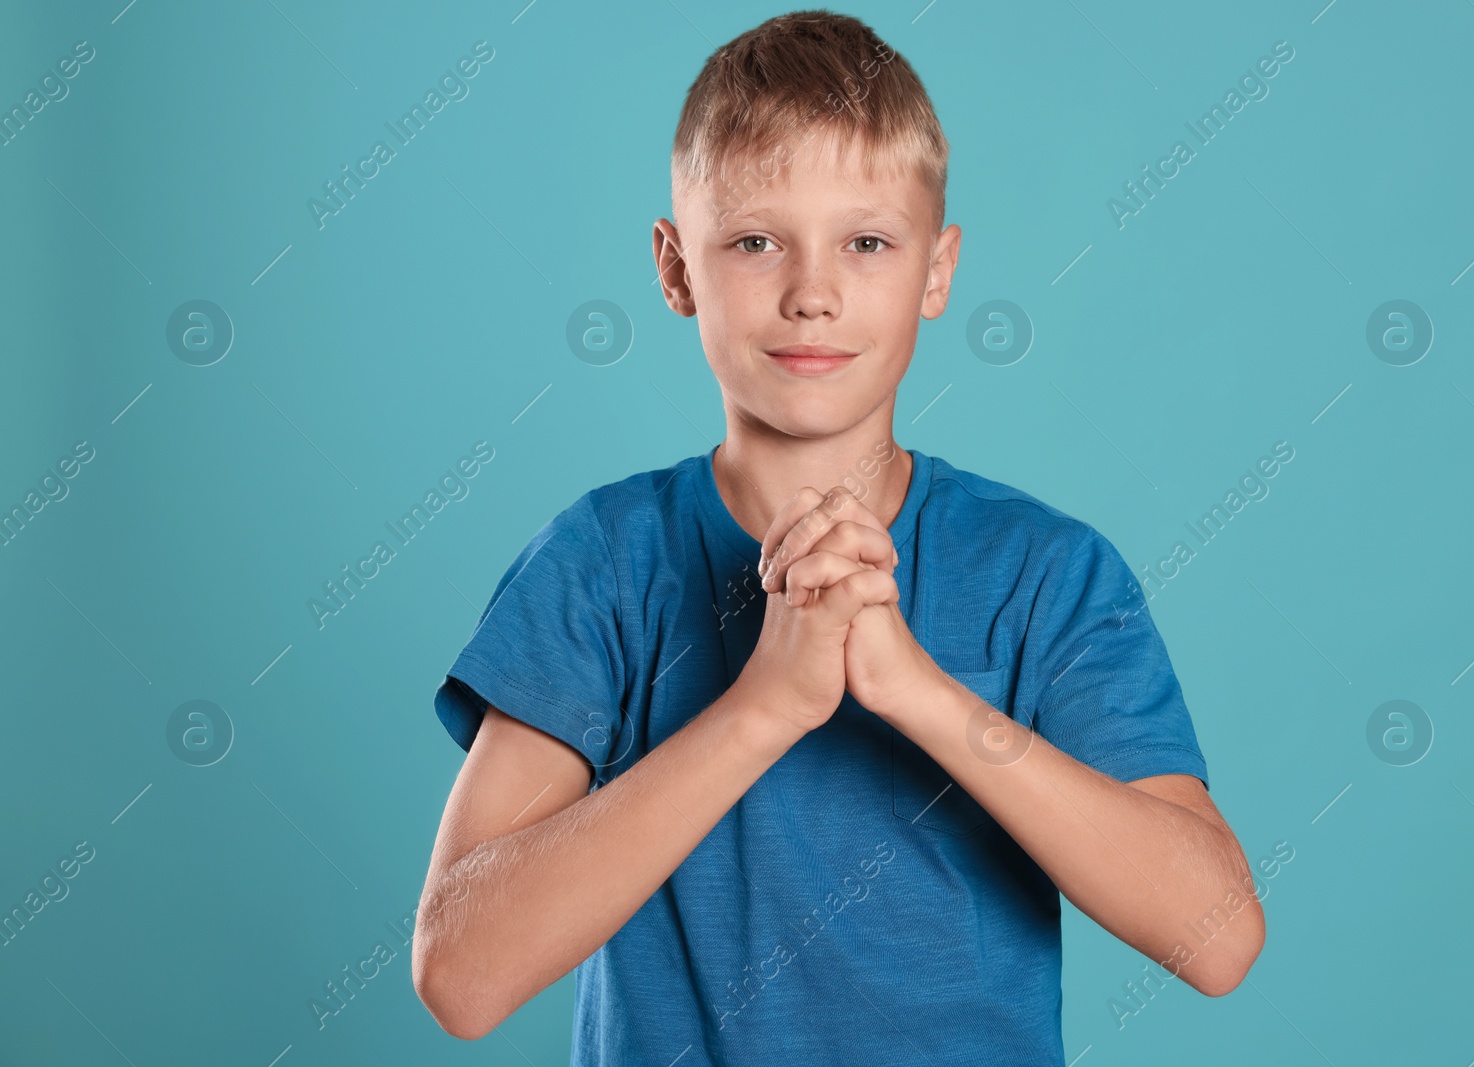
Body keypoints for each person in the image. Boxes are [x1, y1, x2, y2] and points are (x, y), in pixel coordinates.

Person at [413, 10, 1263, 1063]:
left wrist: (914, 689)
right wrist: (766, 705)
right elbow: (460, 971)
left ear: (936, 270)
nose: (812, 293)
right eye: (756, 240)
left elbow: (1218, 939)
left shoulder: (1048, 573)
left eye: (866, 242)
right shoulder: (600, 562)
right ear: (676, 269)